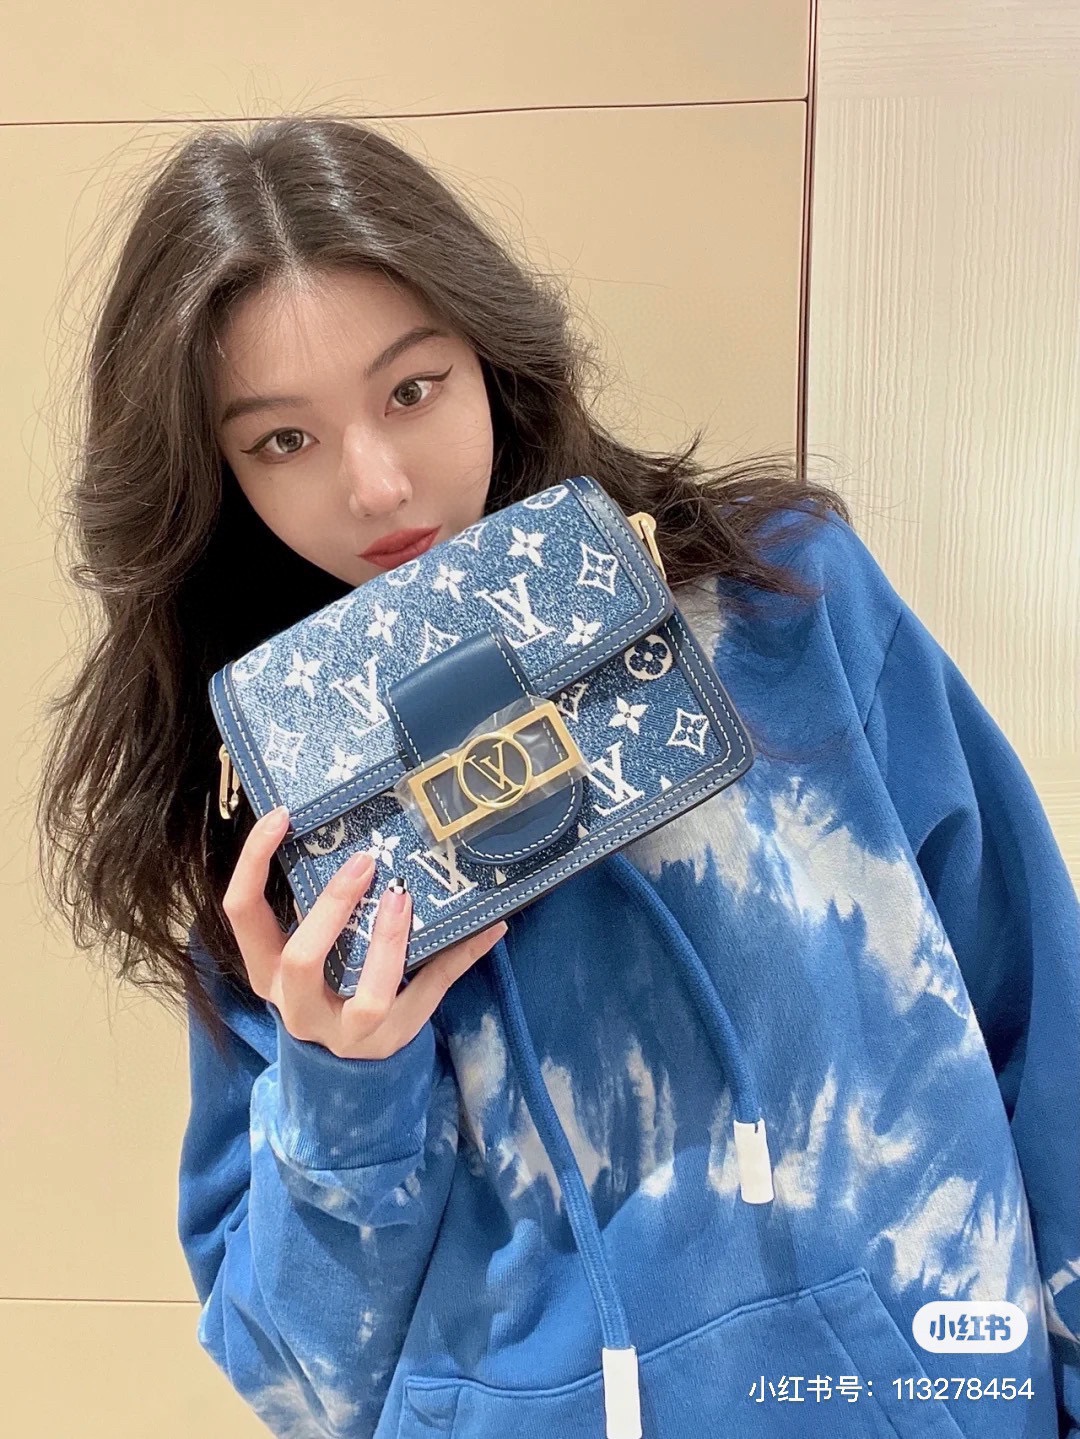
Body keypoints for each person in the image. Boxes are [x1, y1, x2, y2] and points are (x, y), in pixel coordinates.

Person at [35, 113, 1079, 1439]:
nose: (377, 484)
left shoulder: (776, 605)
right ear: (217, 476)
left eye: (412, 389)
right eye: (282, 441)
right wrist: (343, 1085)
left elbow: (1039, 1016)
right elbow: (301, 1383)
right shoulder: (273, 807)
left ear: (490, 353)